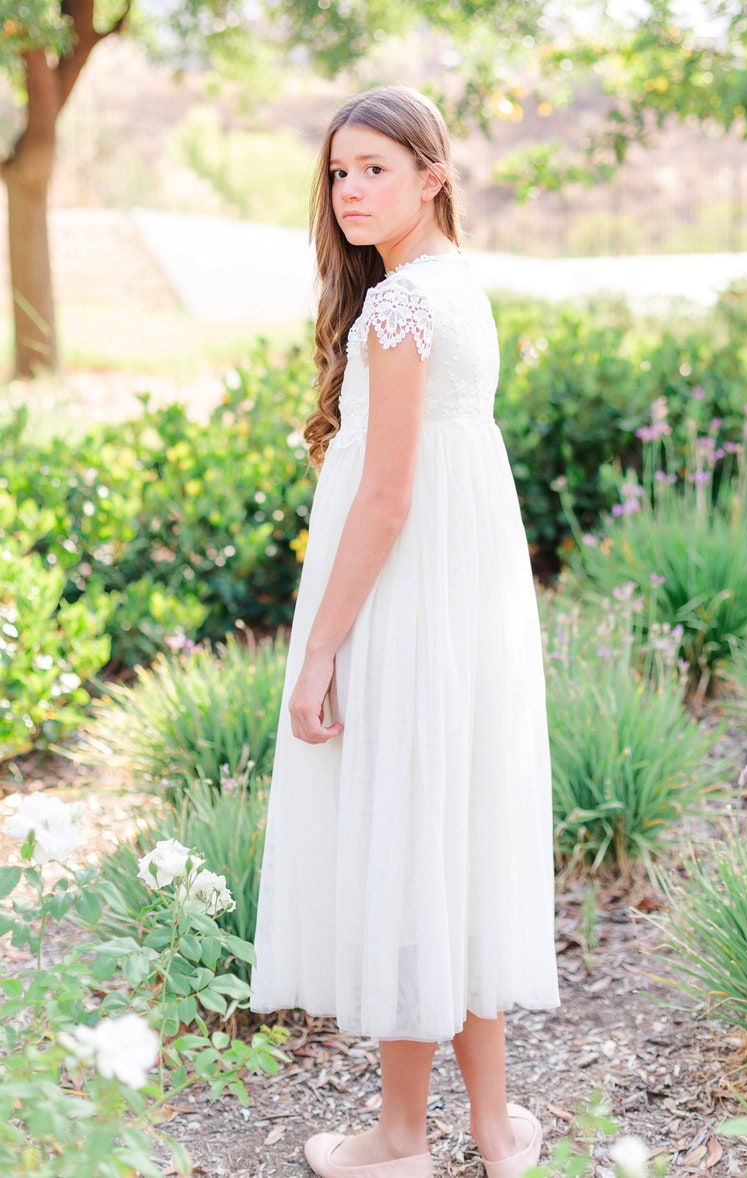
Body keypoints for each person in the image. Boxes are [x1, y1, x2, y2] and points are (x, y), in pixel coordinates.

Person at [251, 85, 559, 1178]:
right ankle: (490, 1129)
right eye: (338, 172)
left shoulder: (397, 309)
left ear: (433, 174)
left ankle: (397, 1138)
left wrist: (321, 646)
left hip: (404, 607)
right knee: (451, 847)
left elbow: (385, 499)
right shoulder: (452, 288)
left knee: (404, 848)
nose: (349, 191)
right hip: (460, 607)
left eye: (375, 167)